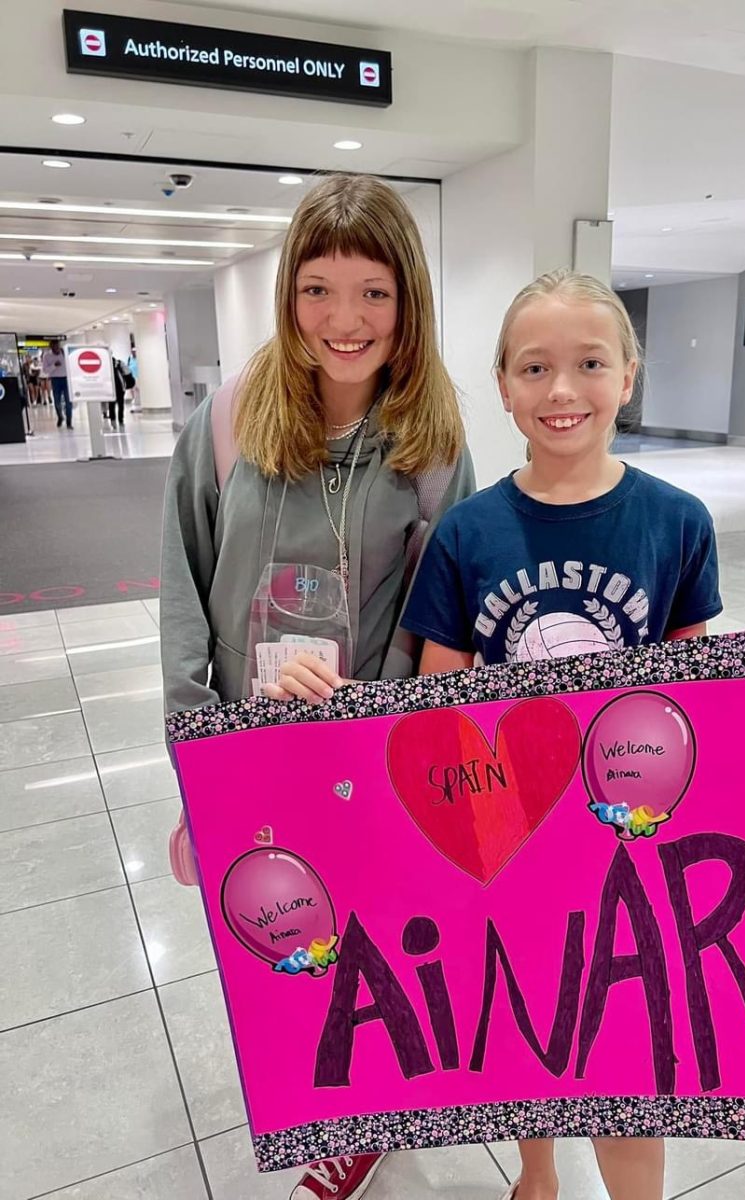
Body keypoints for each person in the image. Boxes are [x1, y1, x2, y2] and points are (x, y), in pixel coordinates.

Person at [394, 269, 745, 1200]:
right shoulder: (466, 533)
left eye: (588, 364)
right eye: (534, 367)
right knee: (527, 1019)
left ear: (629, 376)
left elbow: (704, 697)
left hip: (630, 840)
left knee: (625, 1042)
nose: (561, 389)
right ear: (502, 385)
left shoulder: (676, 522)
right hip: (514, 830)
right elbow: (435, 706)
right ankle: (535, 1176)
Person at [160, 172, 474, 1200]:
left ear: (407, 302)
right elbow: (183, 590)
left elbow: (438, 615)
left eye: (374, 292)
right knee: (280, 929)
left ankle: (366, 1116)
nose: (346, 321)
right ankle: (315, 1091)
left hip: (362, 746)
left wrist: (368, 718)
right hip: (244, 749)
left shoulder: (431, 445)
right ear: (291, 295)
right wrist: (198, 749)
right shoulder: (228, 424)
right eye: (320, 290)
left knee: (371, 931)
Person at [41, 338, 72, 428]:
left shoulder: (64, 353)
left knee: (68, 402)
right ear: (51, 347)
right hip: (55, 380)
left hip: (66, 379)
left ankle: (69, 422)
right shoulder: (47, 356)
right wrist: (54, 365)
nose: (57, 349)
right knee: (57, 402)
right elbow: (45, 370)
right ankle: (60, 417)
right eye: (54, 347)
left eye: (58, 346)